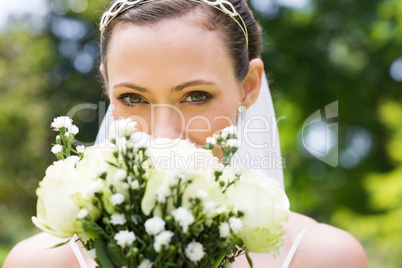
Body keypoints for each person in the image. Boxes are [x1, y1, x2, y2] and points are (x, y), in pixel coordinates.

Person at [4, 0, 369, 267]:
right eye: (133, 98)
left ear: (249, 86)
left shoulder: (322, 257)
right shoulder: (40, 262)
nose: (164, 136)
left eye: (196, 96)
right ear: (107, 86)